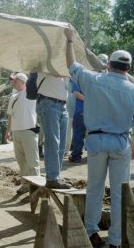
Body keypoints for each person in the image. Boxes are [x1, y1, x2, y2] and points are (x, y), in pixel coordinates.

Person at [66, 27, 134, 248]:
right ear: (128, 68)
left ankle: (91, 233)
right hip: (121, 142)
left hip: (96, 140)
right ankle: (115, 240)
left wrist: (69, 41)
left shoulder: (93, 79)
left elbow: (72, 65)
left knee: (94, 188)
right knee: (119, 193)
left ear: (109, 65)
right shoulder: (132, 89)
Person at [5, 73, 40, 195]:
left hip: (29, 131)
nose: (13, 83)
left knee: (32, 162)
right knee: (22, 162)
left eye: (15, 80)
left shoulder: (30, 93)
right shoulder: (13, 97)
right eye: (13, 81)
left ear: (23, 82)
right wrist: (8, 131)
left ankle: (36, 188)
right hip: (17, 132)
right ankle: (25, 185)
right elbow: (10, 115)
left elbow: (34, 82)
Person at [36, 71, 71, 189]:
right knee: (53, 143)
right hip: (48, 103)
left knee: (61, 144)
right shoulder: (44, 64)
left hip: (62, 106)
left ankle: (55, 176)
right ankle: (52, 178)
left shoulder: (63, 69)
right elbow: (55, 71)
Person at [68, 80, 85, 163]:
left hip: (81, 111)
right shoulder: (95, 78)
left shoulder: (78, 79)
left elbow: (76, 93)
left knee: (78, 134)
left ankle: (76, 156)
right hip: (93, 111)